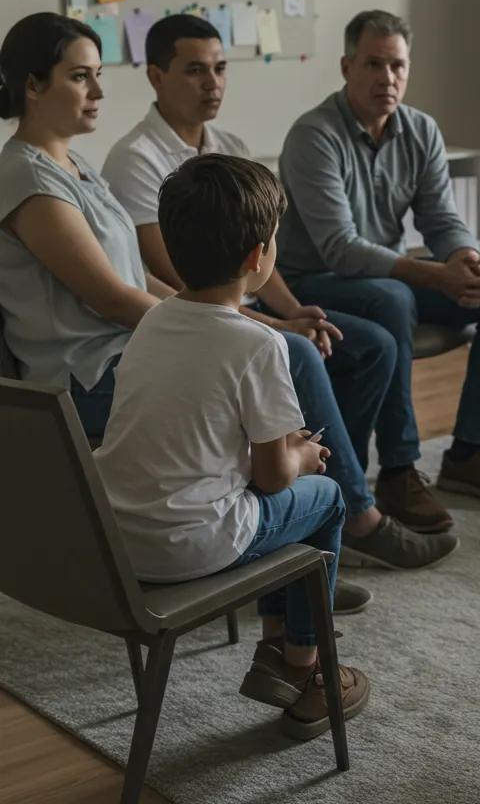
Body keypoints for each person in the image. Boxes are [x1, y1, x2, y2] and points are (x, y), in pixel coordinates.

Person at [103, 14, 456, 579]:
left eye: (219, 69)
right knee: (301, 363)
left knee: (374, 345)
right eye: (195, 70)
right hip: (213, 321)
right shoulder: (136, 159)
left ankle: (347, 471)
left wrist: (292, 310)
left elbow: (236, 263)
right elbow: (192, 281)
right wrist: (276, 329)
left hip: (226, 312)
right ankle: (347, 521)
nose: (212, 83)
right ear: (155, 76)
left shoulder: (231, 147)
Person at [94, 154, 369, 738]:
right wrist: (301, 456)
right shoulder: (259, 343)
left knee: (274, 499)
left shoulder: (151, 323)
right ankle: (304, 664)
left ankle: (275, 650)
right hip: (188, 545)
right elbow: (273, 480)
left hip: (118, 541)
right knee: (326, 497)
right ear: (258, 257)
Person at [275, 9, 480, 534]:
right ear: (347, 66)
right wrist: (437, 276)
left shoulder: (420, 130)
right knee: (394, 297)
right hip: (315, 282)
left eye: (397, 66)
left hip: (389, 276)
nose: (386, 78)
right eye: (373, 64)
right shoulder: (313, 136)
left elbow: (441, 218)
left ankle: (470, 452)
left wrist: (464, 258)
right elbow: (339, 248)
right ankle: (398, 468)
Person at [0, 13, 174, 435]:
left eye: (97, 75)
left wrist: (231, 316)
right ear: (33, 85)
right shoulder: (29, 177)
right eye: (80, 77)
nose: (98, 91)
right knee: (269, 362)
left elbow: (137, 279)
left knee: (280, 350)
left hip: (130, 355)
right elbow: (112, 299)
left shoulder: (76, 165)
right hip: (86, 378)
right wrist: (213, 327)